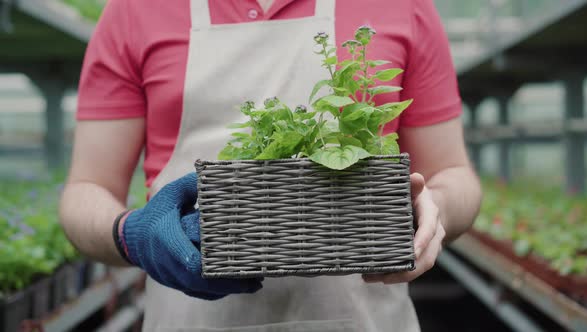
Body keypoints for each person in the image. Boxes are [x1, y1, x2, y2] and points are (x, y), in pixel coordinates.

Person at [59, 0, 482, 331]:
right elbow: (86, 189)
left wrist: (433, 208)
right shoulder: (135, 10)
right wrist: (129, 234)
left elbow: (453, 175)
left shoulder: (403, 5)